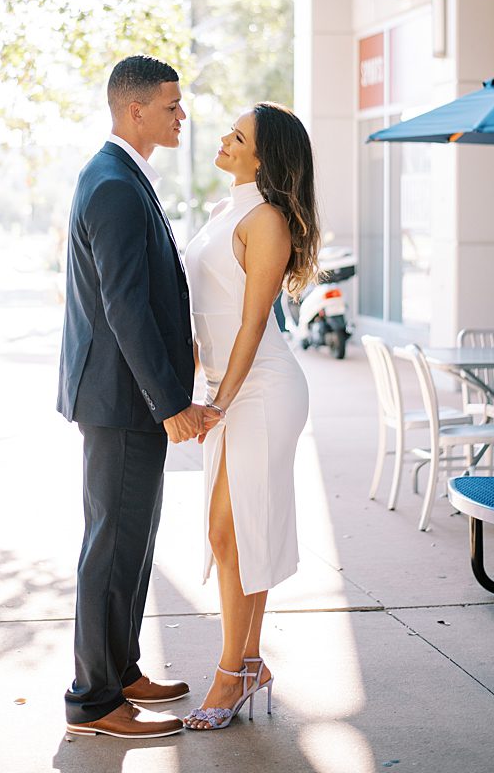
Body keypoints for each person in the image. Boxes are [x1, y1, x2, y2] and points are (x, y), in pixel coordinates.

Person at [57, 55, 221, 740]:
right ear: (135, 111)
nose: (182, 115)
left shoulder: (122, 176)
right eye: (172, 105)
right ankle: (94, 701)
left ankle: (120, 670)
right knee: (111, 544)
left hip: (123, 397)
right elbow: (124, 308)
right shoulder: (116, 185)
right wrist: (169, 403)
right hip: (121, 399)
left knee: (132, 542)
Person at [179, 103, 316, 730]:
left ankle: (232, 671)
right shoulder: (226, 210)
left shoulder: (266, 220)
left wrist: (220, 403)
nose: (225, 141)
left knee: (234, 528)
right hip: (225, 386)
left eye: (239, 137)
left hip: (259, 387)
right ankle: (249, 663)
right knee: (230, 532)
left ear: (265, 157)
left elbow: (255, 324)